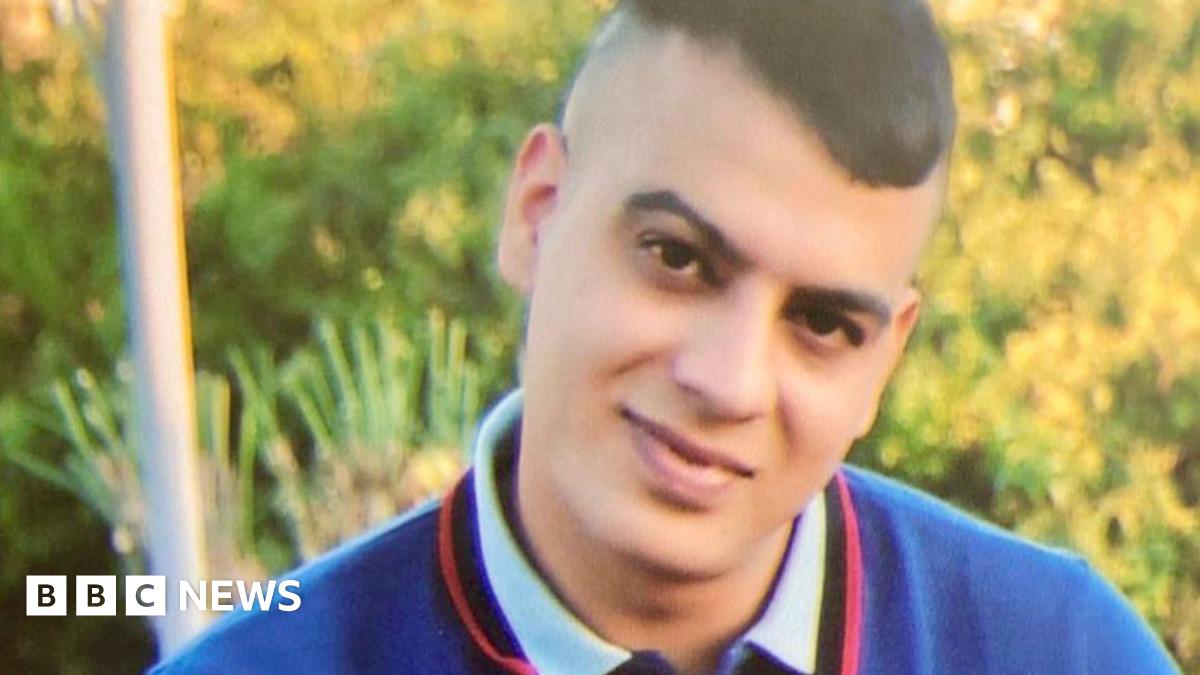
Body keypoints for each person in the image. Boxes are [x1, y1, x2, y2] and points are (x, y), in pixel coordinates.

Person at [153, 0, 1181, 673]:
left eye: (822, 323)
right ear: (537, 210)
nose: (729, 382)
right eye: (678, 258)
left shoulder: (1059, 651)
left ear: (885, 364)